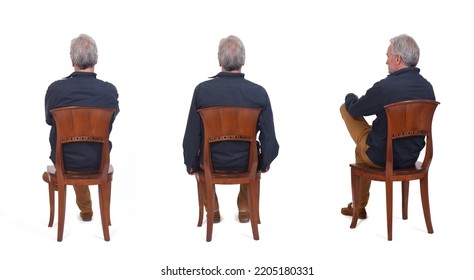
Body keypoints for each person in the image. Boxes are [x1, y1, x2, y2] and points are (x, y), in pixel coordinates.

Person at [183, 35, 279, 223]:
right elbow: (270, 138)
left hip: (210, 162)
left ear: (219, 60)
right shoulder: (258, 93)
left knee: (200, 162)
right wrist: (265, 162)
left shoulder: (202, 91)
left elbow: (192, 135)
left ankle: (213, 209)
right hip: (246, 163)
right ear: (243, 60)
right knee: (255, 157)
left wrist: (190, 163)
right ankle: (244, 209)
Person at [340, 34, 436, 219]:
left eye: (388, 56)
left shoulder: (385, 88)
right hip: (410, 159)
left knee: (345, 109)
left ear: (398, 59)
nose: (386, 61)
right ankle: (358, 206)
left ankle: (358, 207)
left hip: (382, 157)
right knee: (363, 147)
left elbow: (354, 109)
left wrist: (350, 96)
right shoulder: (428, 88)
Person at [43, 34, 119, 222]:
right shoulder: (109, 91)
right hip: (98, 161)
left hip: (64, 162)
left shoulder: (56, 89)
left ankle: (78, 202)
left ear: (72, 60)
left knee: (71, 149)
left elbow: (48, 121)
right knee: (83, 147)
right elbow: (110, 122)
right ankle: (86, 211)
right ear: (96, 59)